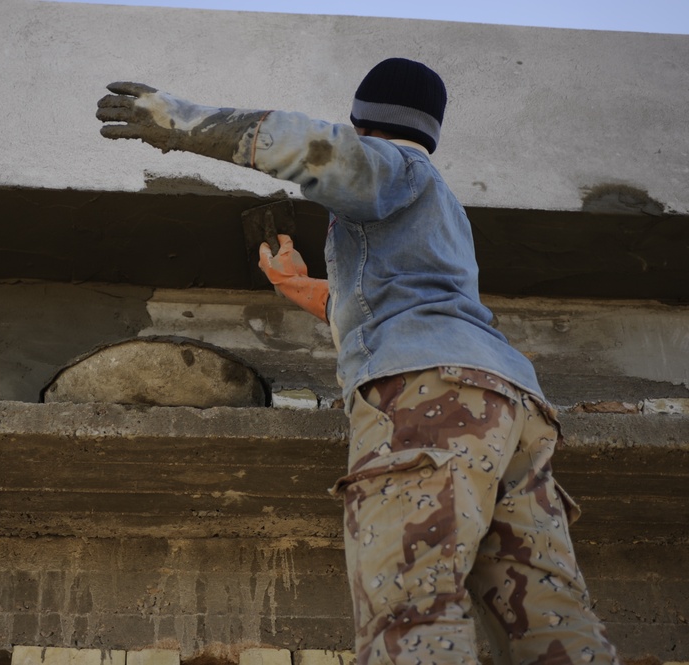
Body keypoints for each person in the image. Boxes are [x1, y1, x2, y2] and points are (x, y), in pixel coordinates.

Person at [96, 58, 618, 665]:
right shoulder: (437, 206)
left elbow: (317, 150)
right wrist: (302, 288)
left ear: (363, 123)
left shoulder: (395, 168)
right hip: (510, 410)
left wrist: (180, 121)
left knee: (412, 608)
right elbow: (403, 299)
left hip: (433, 400)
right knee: (550, 622)